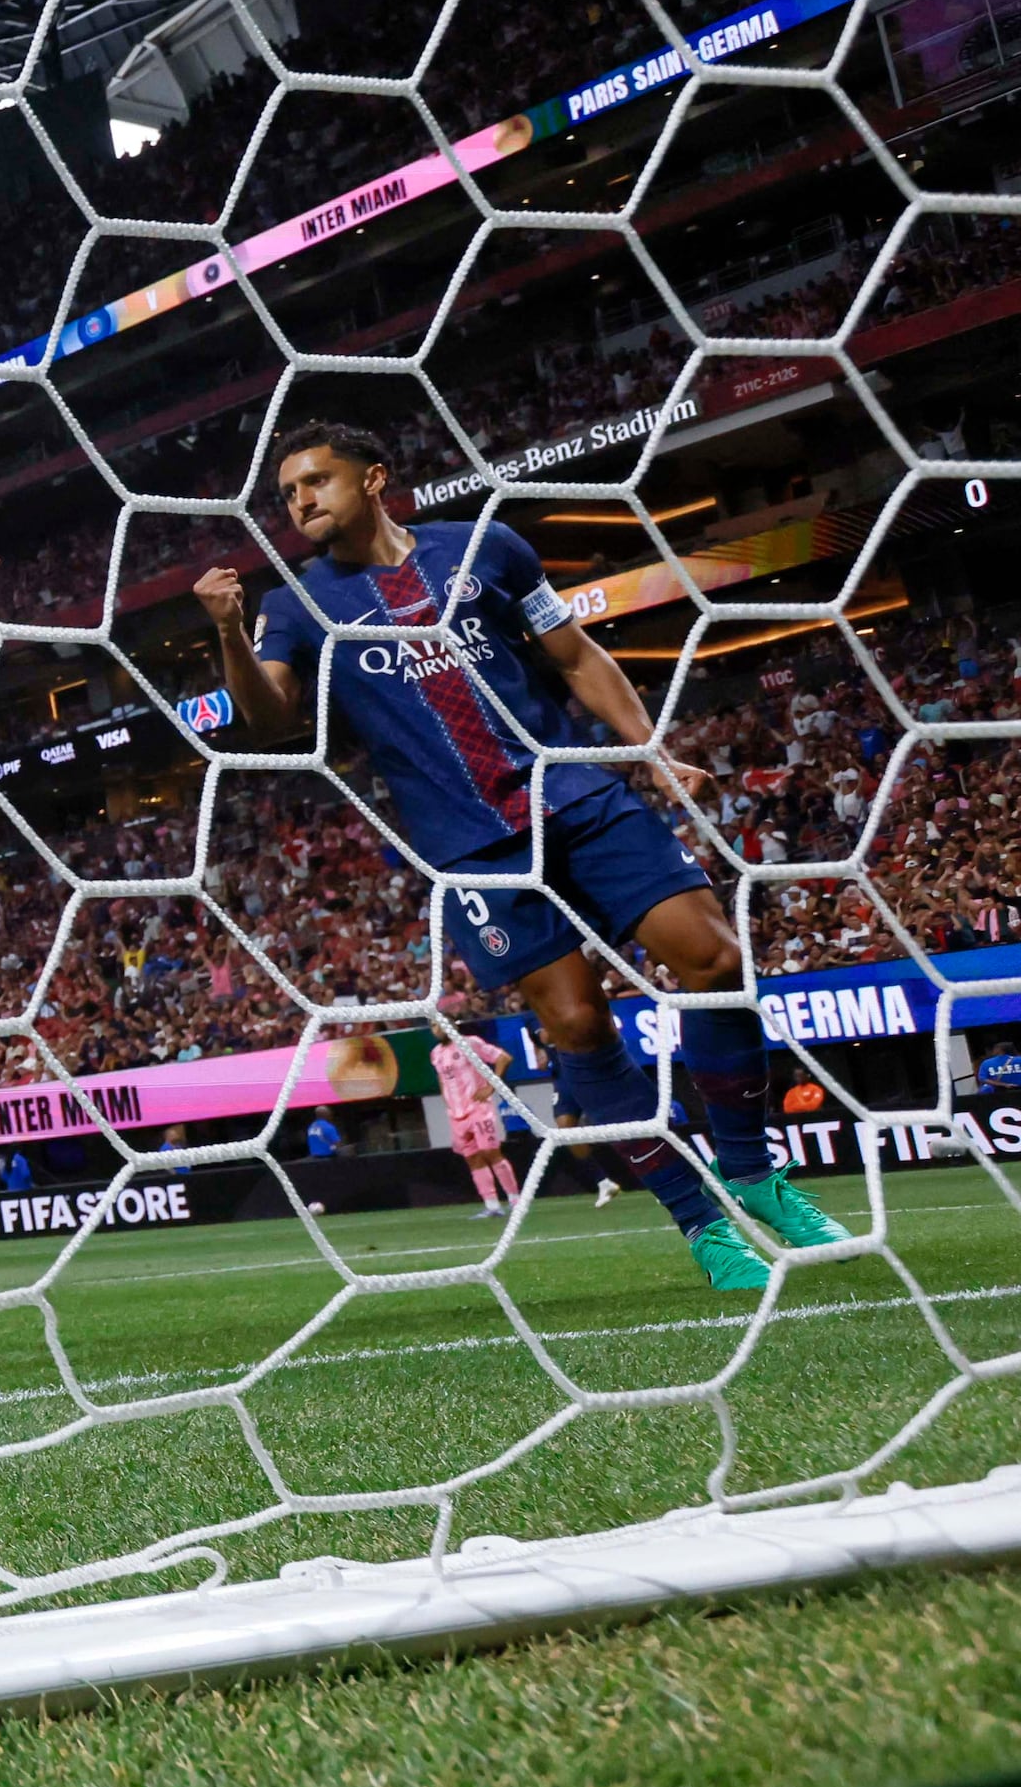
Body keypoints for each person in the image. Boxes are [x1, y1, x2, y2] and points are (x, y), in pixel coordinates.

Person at [196, 423, 843, 1289]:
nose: (301, 499)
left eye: (317, 479)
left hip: (572, 791)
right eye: (287, 492)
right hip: (470, 843)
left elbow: (573, 654)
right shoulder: (296, 603)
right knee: (576, 1022)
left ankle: (754, 1175)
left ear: (376, 475)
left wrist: (646, 745)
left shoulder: (486, 549)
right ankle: (702, 1225)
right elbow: (271, 721)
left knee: (714, 956)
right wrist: (230, 633)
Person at [432, 1016, 521, 1213]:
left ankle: (515, 1200)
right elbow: (442, 1079)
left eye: (439, 1024)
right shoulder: (435, 1053)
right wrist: (447, 1102)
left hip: (478, 1109)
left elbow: (503, 1058)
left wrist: (491, 1087)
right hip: (456, 1114)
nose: (436, 1029)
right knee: (472, 1158)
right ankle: (492, 1206)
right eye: (432, 1026)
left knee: (491, 1152)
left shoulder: (470, 1043)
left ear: (452, 1025)